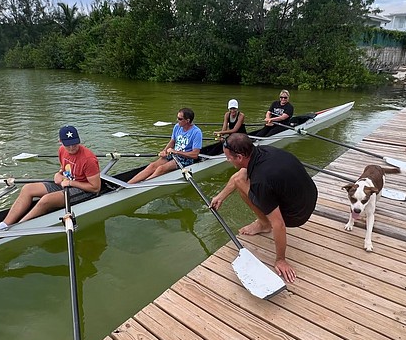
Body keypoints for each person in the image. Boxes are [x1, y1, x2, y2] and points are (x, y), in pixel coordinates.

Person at [210, 133, 317, 283]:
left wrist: (281, 259)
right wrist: (220, 196)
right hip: (309, 196)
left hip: (297, 215)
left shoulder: (261, 181)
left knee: (243, 183)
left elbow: (279, 224)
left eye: (229, 157)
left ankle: (264, 224)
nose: (228, 160)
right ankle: (263, 221)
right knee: (241, 176)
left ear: (239, 157)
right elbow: (239, 175)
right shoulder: (263, 150)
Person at [0, 125, 101, 229]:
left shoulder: (88, 159)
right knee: (27, 189)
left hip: (84, 190)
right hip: (66, 182)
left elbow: (95, 188)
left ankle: (17, 227)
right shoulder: (62, 150)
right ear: (61, 141)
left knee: (46, 200)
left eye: (74, 144)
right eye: (68, 145)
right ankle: (3, 225)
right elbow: (65, 168)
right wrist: (59, 173)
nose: (72, 148)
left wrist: (70, 183)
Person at [127, 107, 203, 184]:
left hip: (185, 159)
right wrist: (164, 151)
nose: (177, 120)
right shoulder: (177, 127)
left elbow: (195, 155)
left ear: (187, 120)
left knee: (161, 168)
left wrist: (176, 152)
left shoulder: (197, 132)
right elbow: (172, 142)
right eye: (177, 118)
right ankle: (127, 185)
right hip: (173, 154)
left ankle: (141, 186)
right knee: (152, 166)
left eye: (180, 119)